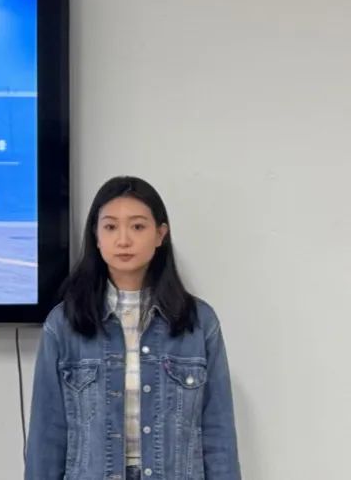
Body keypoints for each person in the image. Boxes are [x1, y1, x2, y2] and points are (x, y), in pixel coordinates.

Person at [25, 176, 241, 480]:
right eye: (110, 227)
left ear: (160, 234)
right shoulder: (64, 324)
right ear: (96, 236)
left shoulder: (199, 322)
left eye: (138, 227)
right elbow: (47, 437)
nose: (123, 240)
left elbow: (218, 434)